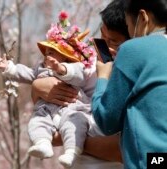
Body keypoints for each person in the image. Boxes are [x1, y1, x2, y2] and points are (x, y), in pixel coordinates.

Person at [0, 11, 98, 168]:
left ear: (66, 57)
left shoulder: (74, 68)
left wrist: (61, 68)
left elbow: (79, 74)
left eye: (53, 52)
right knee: (36, 122)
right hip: (46, 110)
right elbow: (26, 73)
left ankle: (72, 151)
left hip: (72, 108)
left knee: (75, 124)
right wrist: (9, 68)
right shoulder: (40, 70)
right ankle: (42, 143)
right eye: (47, 52)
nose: (48, 55)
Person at [32, 0, 129, 168]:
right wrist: (37, 88)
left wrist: (74, 137)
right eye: (102, 37)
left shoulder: (133, 74)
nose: (106, 47)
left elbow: (126, 150)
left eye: (114, 42)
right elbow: (52, 105)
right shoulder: (88, 62)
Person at [92, 0, 167, 168]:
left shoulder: (134, 48)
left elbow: (106, 120)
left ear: (142, 17)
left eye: (128, 24)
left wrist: (102, 78)